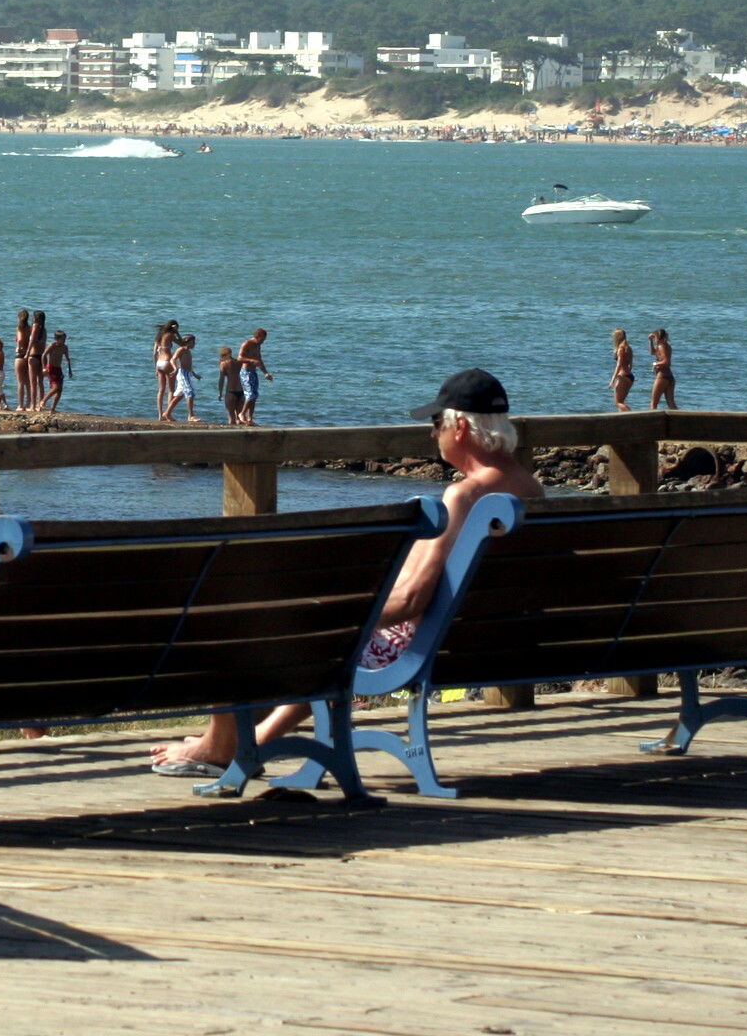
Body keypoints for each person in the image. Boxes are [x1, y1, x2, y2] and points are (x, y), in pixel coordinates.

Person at [149, 368, 544, 777]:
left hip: (422, 647)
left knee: (247, 626)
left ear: (459, 426)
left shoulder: (464, 495)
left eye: (435, 423)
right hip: (491, 644)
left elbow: (412, 601)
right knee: (319, 628)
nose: (432, 434)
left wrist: (339, 612)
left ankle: (218, 748)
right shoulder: (532, 490)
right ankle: (255, 740)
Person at [239, 328, 275, 426]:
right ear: (258, 336)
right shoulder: (247, 344)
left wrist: (266, 373)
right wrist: (251, 361)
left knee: (255, 396)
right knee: (250, 394)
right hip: (246, 372)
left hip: (253, 372)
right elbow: (239, 358)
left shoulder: (258, 345)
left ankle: (250, 418)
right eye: (263, 339)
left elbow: (259, 360)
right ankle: (242, 414)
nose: (263, 341)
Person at [170, 335, 201, 423]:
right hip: (183, 374)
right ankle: (191, 415)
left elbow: (189, 365)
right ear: (187, 342)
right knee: (190, 393)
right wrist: (175, 368)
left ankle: (167, 413)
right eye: (193, 342)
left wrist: (194, 374)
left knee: (179, 395)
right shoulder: (181, 349)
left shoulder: (188, 351)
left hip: (188, 374)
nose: (194, 344)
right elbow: (173, 359)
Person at [649, 328, 678, 411]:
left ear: (658, 338)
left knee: (653, 404)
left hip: (662, 376)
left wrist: (655, 364)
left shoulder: (661, 346)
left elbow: (667, 362)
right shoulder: (666, 345)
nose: (654, 340)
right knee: (671, 404)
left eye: (654, 338)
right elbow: (653, 352)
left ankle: (652, 423)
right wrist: (650, 341)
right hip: (669, 377)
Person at [215, 345, 245, 424]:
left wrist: (220, 393)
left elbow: (221, 380)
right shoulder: (238, 362)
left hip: (230, 392)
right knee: (239, 418)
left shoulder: (224, 364)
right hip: (241, 391)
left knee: (231, 419)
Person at [42, 329, 70, 411]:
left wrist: (70, 371)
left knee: (60, 390)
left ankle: (53, 408)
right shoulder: (52, 345)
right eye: (63, 339)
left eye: (65, 339)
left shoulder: (65, 347)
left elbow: (68, 359)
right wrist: (44, 368)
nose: (64, 341)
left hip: (58, 369)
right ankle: (43, 401)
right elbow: (44, 355)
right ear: (57, 339)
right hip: (51, 368)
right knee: (55, 387)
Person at [153, 324, 177, 420]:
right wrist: (177, 332)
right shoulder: (170, 335)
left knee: (161, 390)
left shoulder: (159, 338)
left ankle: (160, 415)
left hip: (159, 363)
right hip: (167, 361)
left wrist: (155, 368)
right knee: (171, 390)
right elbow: (181, 343)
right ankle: (168, 414)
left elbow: (154, 353)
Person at [610, 328, 635, 414]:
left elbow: (619, 364)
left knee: (618, 403)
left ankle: (633, 416)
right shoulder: (628, 348)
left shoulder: (620, 349)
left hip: (622, 376)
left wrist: (613, 379)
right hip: (630, 376)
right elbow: (630, 365)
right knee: (622, 401)